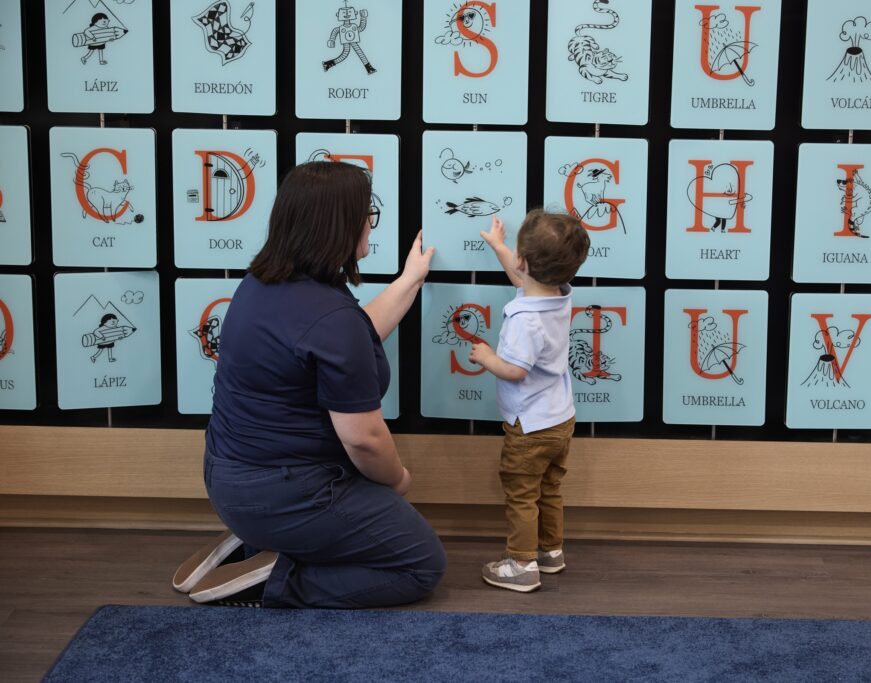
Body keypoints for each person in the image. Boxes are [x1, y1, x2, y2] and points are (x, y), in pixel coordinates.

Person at [172, 161, 445, 608]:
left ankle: (251, 543)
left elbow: (351, 339)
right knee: (420, 564)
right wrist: (398, 479)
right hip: (283, 493)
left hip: (229, 477)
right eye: (367, 216)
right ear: (341, 226)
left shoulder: (263, 284)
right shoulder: (329, 316)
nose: (370, 226)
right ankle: (271, 578)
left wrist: (408, 281)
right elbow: (366, 442)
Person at [468, 211, 590, 592]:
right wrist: (500, 246)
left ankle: (521, 564)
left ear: (525, 262)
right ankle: (550, 552)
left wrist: (486, 357)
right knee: (550, 488)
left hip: (530, 425)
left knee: (522, 495)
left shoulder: (524, 319)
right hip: (561, 418)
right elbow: (519, 277)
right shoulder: (559, 295)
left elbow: (515, 370)